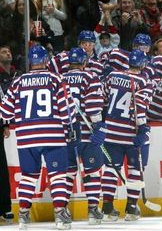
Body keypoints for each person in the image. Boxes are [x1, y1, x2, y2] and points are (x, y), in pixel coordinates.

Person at [0, 45, 76, 230]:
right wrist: (70, 124)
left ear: (30, 61)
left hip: (26, 137)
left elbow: (4, 112)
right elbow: (68, 112)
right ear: (45, 60)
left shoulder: (17, 82)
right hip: (52, 136)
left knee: (28, 177)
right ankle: (59, 215)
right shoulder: (55, 79)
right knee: (58, 175)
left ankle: (23, 217)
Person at [101, 49, 154, 221]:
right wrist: (143, 128)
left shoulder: (113, 76)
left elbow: (102, 98)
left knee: (110, 169)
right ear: (143, 65)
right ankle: (131, 208)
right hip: (131, 133)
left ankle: (107, 208)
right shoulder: (144, 81)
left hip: (111, 132)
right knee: (135, 169)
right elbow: (139, 107)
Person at [62, 47, 105, 225]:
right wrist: (99, 126)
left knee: (67, 174)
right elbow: (93, 106)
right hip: (87, 134)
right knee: (93, 172)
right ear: (84, 62)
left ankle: (62, 211)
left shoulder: (60, 79)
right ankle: (93, 211)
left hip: (65, 134)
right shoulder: (90, 77)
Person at [0, 45, 15, 224]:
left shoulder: (15, 74)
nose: (8, 53)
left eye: (8, 51)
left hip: (5, 124)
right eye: (3, 52)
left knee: (2, 168)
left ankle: (4, 208)